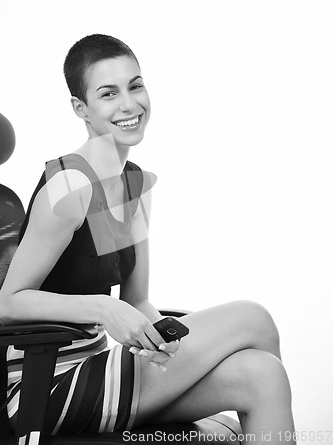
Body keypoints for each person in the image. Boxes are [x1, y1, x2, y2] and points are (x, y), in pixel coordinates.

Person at [0, 34, 296, 444]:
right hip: (46, 383)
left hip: (102, 367)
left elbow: (137, 301)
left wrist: (164, 348)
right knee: (253, 318)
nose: (128, 104)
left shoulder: (133, 184)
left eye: (135, 85)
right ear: (80, 108)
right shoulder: (69, 186)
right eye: (108, 93)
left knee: (264, 375)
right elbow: (8, 303)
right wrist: (103, 308)